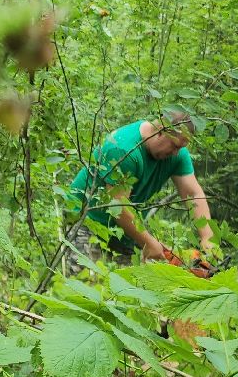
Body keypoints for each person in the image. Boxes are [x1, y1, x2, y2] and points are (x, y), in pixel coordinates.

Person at [65, 108, 215, 266]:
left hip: (123, 228)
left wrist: (208, 238)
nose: (177, 153)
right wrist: (149, 243)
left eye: (181, 148)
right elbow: (119, 207)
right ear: (160, 130)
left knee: (126, 285)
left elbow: (192, 194)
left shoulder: (177, 154)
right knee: (83, 283)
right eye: (175, 146)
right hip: (86, 217)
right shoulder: (124, 149)